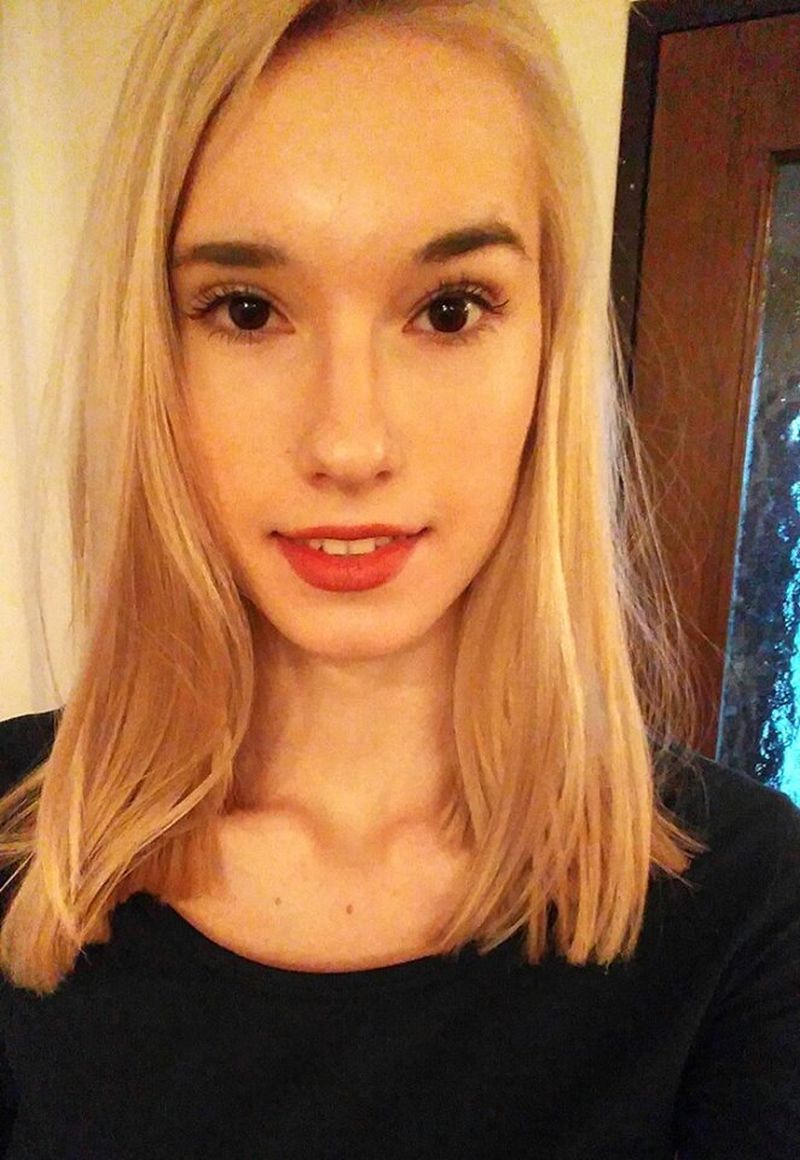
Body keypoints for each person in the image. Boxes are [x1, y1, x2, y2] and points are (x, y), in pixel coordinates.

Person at [0, 0, 798, 1156]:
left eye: (447, 309)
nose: (348, 442)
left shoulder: (749, 911)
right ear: (152, 354)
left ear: (547, 347)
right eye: (246, 310)